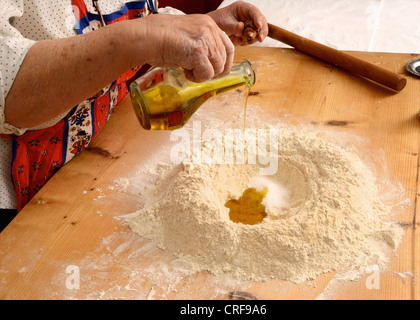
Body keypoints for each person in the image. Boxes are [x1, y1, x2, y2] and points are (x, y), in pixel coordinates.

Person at [0, 0, 268, 231]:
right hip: (18, 209)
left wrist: (196, 29)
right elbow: (8, 85)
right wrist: (142, 37)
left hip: (91, 159)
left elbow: (126, 23)